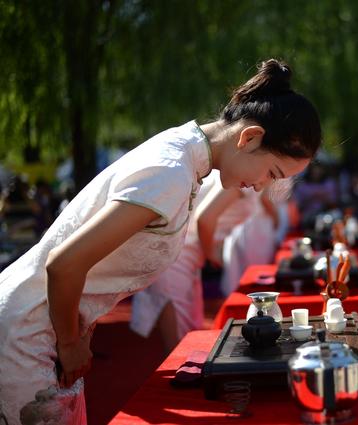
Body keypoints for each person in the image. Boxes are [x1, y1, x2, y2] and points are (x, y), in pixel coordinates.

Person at [0, 59, 321, 424]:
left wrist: (77, 332)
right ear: (249, 138)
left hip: (44, 324)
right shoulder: (171, 172)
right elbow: (64, 264)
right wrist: (70, 342)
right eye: (271, 173)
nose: (263, 186)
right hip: (27, 334)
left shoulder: (182, 154)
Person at [129, 171, 280, 353]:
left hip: (187, 255)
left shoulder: (254, 178)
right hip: (176, 256)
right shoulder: (243, 177)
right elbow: (205, 218)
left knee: (191, 334)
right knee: (181, 344)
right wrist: (211, 254)